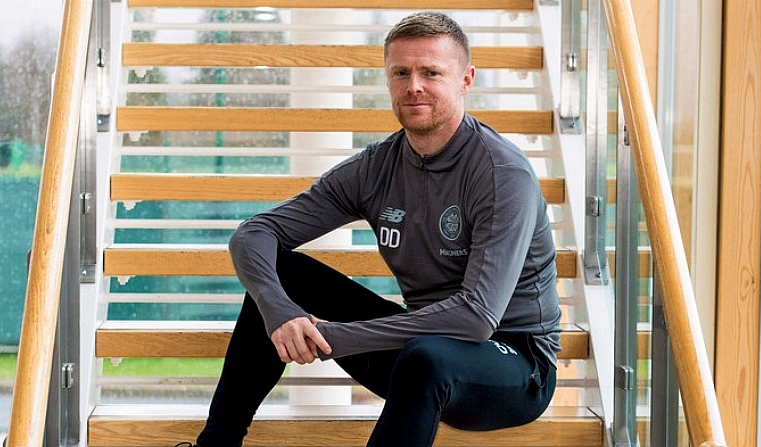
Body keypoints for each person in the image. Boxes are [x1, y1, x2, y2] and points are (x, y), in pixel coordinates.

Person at [189, 11, 562, 447]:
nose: (414, 85)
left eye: (431, 72)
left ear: (465, 80)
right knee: (283, 273)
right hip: (419, 349)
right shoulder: (376, 167)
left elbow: (475, 318)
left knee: (428, 357)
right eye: (400, 72)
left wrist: (334, 336)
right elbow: (254, 235)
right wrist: (282, 314)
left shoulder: (501, 173)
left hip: (514, 366)